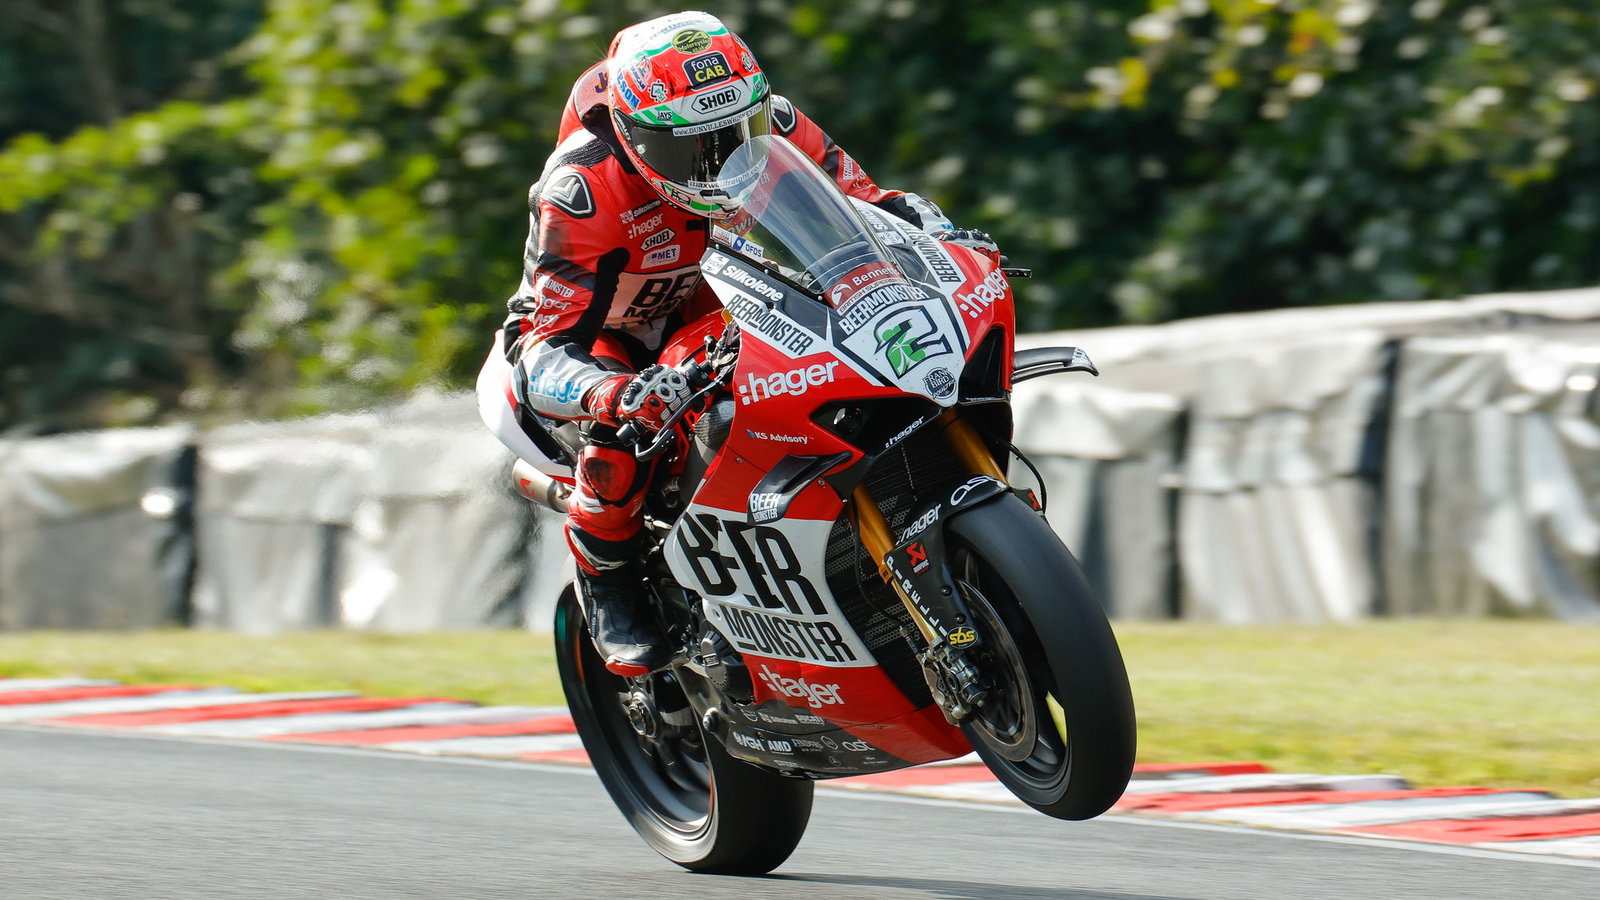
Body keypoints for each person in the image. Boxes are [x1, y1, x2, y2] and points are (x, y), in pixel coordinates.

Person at [482, 11, 997, 676]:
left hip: (714, 301)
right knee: (624, 435)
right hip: (604, 337)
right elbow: (545, 346)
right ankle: (603, 569)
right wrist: (611, 391)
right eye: (690, 147)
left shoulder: (777, 124)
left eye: (734, 135)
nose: (717, 163)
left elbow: (871, 207)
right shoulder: (583, 187)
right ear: (636, 136)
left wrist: (938, 230)